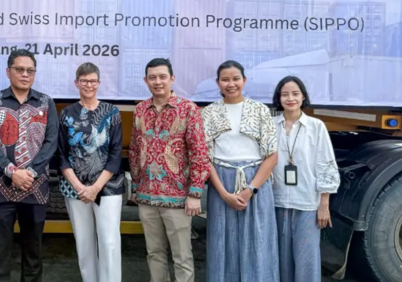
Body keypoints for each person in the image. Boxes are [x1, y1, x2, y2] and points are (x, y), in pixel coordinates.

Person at [0, 49, 59, 282]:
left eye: (30, 71)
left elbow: (51, 142)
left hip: (35, 188)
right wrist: (12, 171)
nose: (25, 74)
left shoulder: (46, 102)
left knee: (33, 252)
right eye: (20, 69)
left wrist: (29, 173)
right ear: (8, 72)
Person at [129, 58, 209, 282]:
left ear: (172, 79)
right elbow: (135, 150)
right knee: (154, 253)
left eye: (162, 77)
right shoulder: (140, 109)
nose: (158, 82)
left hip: (178, 198)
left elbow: (199, 152)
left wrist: (195, 193)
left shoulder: (188, 109)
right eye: (152, 77)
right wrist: (135, 186)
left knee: (182, 256)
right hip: (146, 196)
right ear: (146, 80)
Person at [202, 60, 280, 282]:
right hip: (221, 182)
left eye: (236, 79)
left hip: (255, 183)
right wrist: (224, 193)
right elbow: (205, 158)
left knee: (258, 241)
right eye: (225, 79)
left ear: (244, 80)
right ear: (218, 82)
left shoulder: (260, 110)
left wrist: (250, 190)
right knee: (222, 241)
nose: (231, 84)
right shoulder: (209, 113)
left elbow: (272, 155)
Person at [58, 62, 124, 282]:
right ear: (76, 83)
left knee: (109, 242)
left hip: (108, 187)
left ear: (99, 83)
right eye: (84, 81)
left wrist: (95, 187)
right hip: (75, 188)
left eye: (93, 81)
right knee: (84, 243)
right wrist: (80, 187)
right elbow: (61, 155)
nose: (89, 85)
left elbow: (116, 154)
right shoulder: (66, 114)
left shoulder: (111, 112)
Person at [272, 76, 340, 282]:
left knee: (306, 259)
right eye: (285, 94)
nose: (290, 98)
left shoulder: (315, 126)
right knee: (280, 259)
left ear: (303, 97)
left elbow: (326, 163)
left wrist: (324, 204)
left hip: (307, 202)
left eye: (295, 94)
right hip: (276, 201)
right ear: (279, 98)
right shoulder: (271, 125)